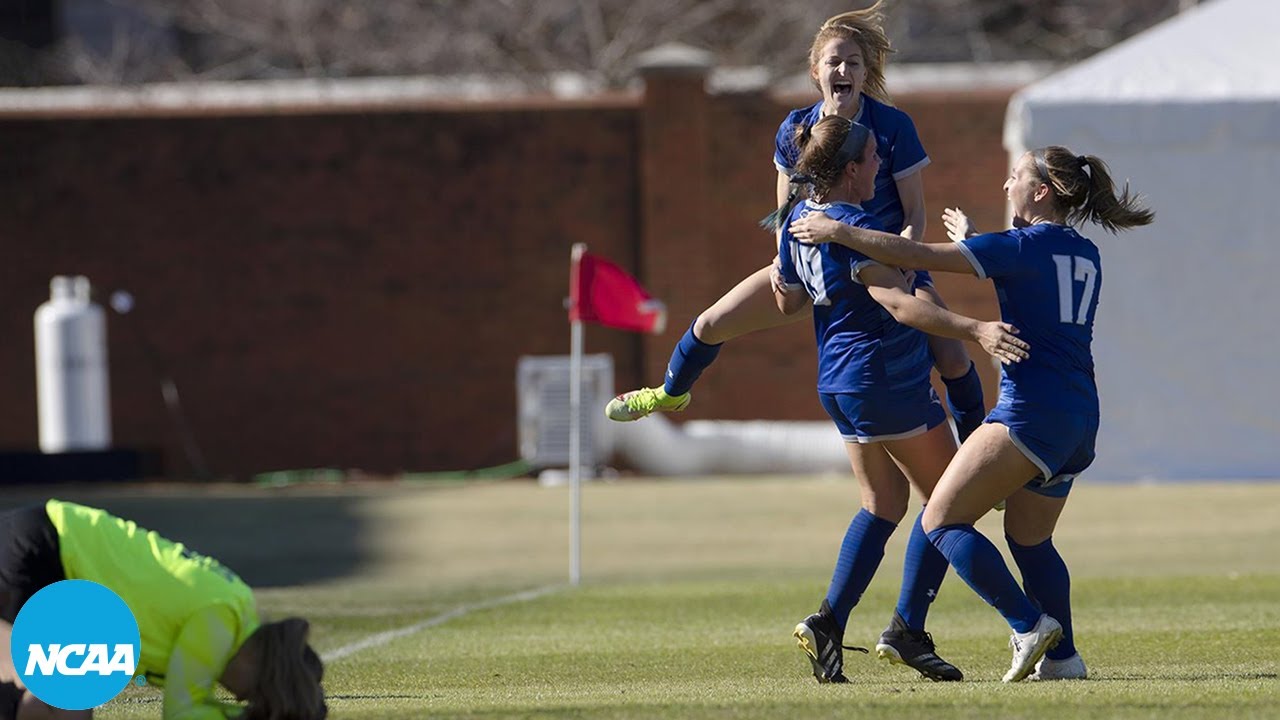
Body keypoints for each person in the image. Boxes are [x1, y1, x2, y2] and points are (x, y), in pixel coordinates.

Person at [789, 145, 1154, 681]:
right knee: (1032, 540)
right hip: (1080, 417)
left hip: (1030, 413)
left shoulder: (1020, 247)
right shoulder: (1083, 252)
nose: (1007, 186)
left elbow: (915, 257)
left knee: (940, 518)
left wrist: (838, 232)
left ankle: (1028, 625)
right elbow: (1021, 270)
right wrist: (975, 239)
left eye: (1014, 178)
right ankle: (1063, 660)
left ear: (1041, 192)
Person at [605, 2, 989, 445]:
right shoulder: (795, 128)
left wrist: (903, 258)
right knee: (712, 322)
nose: (843, 69)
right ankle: (670, 394)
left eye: (853, 62)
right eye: (834, 61)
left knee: (952, 355)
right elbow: (786, 205)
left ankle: (977, 454)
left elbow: (915, 213)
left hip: (881, 264)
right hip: (813, 262)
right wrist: (785, 259)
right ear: (815, 71)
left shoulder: (892, 126)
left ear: (866, 73)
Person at [773, 115, 1030, 685]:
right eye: (871, 161)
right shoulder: (849, 224)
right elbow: (900, 306)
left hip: (838, 381)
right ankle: (911, 629)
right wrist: (976, 328)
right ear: (849, 171)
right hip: (881, 378)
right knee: (949, 505)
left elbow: (790, 301)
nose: (879, 169)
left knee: (884, 503)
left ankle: (829, 623)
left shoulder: (800, 221)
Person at [0, 500, 327, 719]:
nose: (239, 699)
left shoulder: (233, 610)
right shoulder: (221, 619)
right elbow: (181, 712)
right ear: (260, 665)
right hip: (48, 549)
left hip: (51, 546)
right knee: (56, 704)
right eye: (253, 695)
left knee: (67, 699)